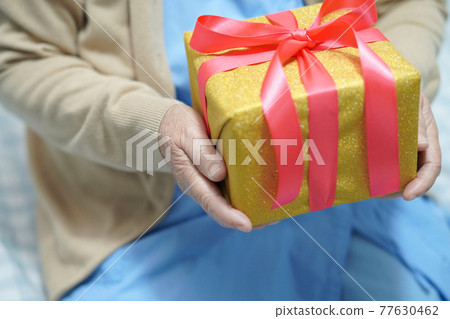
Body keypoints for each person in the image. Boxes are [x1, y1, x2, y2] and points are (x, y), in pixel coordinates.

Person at [0, 0, 448, 301]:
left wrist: (395, 86)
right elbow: (20, 56)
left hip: (353, 185)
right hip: (141, 219)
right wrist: (152, 125)